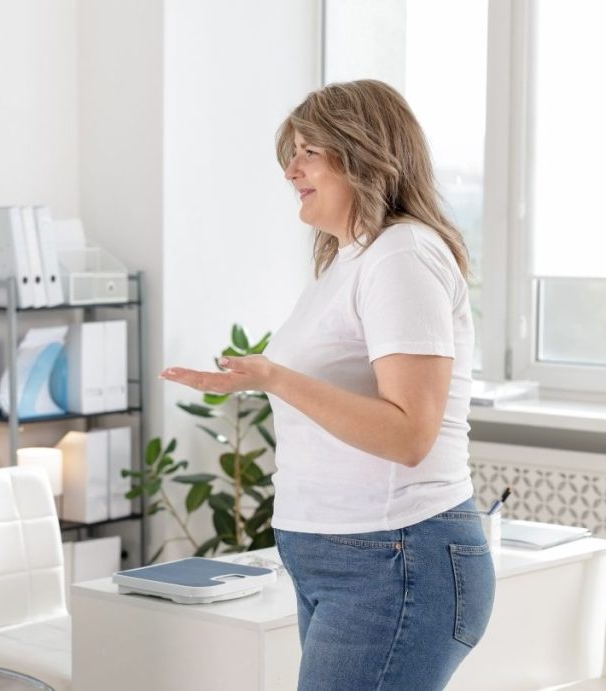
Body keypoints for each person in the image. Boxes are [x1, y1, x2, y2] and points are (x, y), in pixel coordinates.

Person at [160, 79, 495, 690]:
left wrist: (277, 379)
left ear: (364, 152)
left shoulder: (403, 255)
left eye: (309, 152)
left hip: (395, 557)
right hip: (347, 560)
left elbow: (409, 434)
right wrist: (257, 382)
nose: (291, 171)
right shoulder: (350, 260)